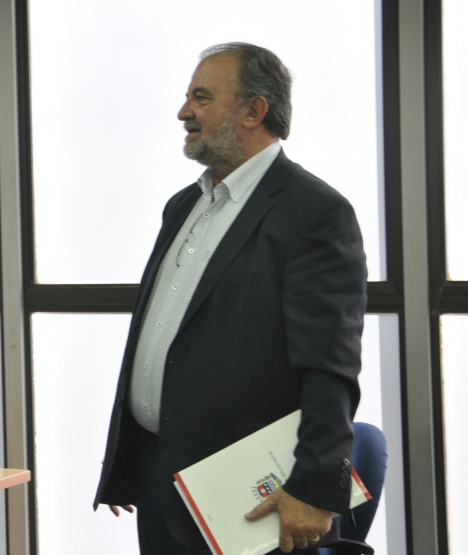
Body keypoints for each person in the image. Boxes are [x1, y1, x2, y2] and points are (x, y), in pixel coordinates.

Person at [94, 42, 367, 555]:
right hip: (160, 476)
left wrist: (313, 487)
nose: (183, 112)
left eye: (201, 97)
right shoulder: (183, 206)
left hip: (247, 494)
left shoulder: (314, 212)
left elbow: (329, 367)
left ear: (253, 111)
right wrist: (126, 464)